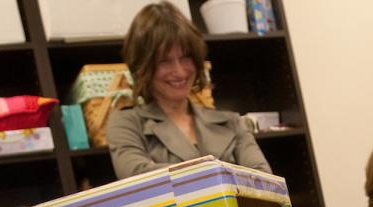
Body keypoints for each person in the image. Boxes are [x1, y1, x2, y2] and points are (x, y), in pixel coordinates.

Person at [106, 1, 272, 179]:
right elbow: (138, 179)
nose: (179, 71)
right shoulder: (126, 124)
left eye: (186, 57)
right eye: (164, 60)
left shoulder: (232, 122)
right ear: (143, 66)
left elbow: (264, 181)